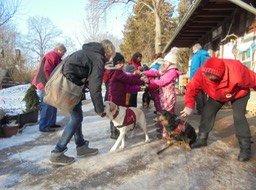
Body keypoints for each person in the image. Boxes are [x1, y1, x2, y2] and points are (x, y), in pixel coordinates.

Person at [49, 39, 115, 165]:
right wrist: (100, 109)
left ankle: (81, 146)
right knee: (76, 118)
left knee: (77, 117)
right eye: (110, 56)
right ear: (107, 51)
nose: (109, 59)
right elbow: (95, 88)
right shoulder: (98, 58)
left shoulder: (87, 52)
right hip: (69, 88)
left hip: (70, 87)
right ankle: (57, 152)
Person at [180, 57, 256, 162]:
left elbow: (254, 80)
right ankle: (202, 139)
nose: (208, 78)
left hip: (239, 94)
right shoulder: (201, 73)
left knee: (239, 116)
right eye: (207, 75)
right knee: (207, 112)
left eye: (213, 77)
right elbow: (191, 89)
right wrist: (188, 106)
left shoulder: (236, 70)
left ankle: (245, 148)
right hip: (217, 95)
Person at [105, 52, 148, 139]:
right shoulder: (117, 72)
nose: (122, 65)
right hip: (117, 97)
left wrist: (137, 76)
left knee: (114, 114)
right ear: (117, 63)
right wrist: (142, 81)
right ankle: (116, 133)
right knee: (116, 114)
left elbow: (128, 77)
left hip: (114, 95)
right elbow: (128, 80)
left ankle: (116, 132)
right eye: (121, 63)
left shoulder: (113, 71)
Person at [146, 47, 183, 138]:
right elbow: (156, 73)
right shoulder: (166, 70)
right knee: (164, 114)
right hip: (163, 96)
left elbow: (162, 82)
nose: (164, 64)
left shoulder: (172, 72)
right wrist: (144, 73)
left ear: (171, 63)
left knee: (167, 116)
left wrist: (149, 82)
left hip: (168, 97)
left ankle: (167, 134)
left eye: (166, 62)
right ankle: (165, 132)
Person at [32, 43, 67, 132]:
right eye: (63, 52)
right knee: (46, 105)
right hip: (44, 84)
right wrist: (50, 83)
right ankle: (43, 126)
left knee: (53, 104)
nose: (63, 54)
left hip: (47, 84)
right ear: (58, 50)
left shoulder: (57, 57)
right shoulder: (52, 55)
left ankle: (51, 123)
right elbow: (47, 70)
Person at [190, 43, 210, 115]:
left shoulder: (197, 56)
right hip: (206, 77)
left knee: (198, 93)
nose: (193, 51)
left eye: (193, 50)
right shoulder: (207, 56)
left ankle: (200, 110)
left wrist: (192, 78)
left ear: (197, 49)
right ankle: (205, 109)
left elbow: (194, 68)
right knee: (204, 94)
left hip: (198, 77)